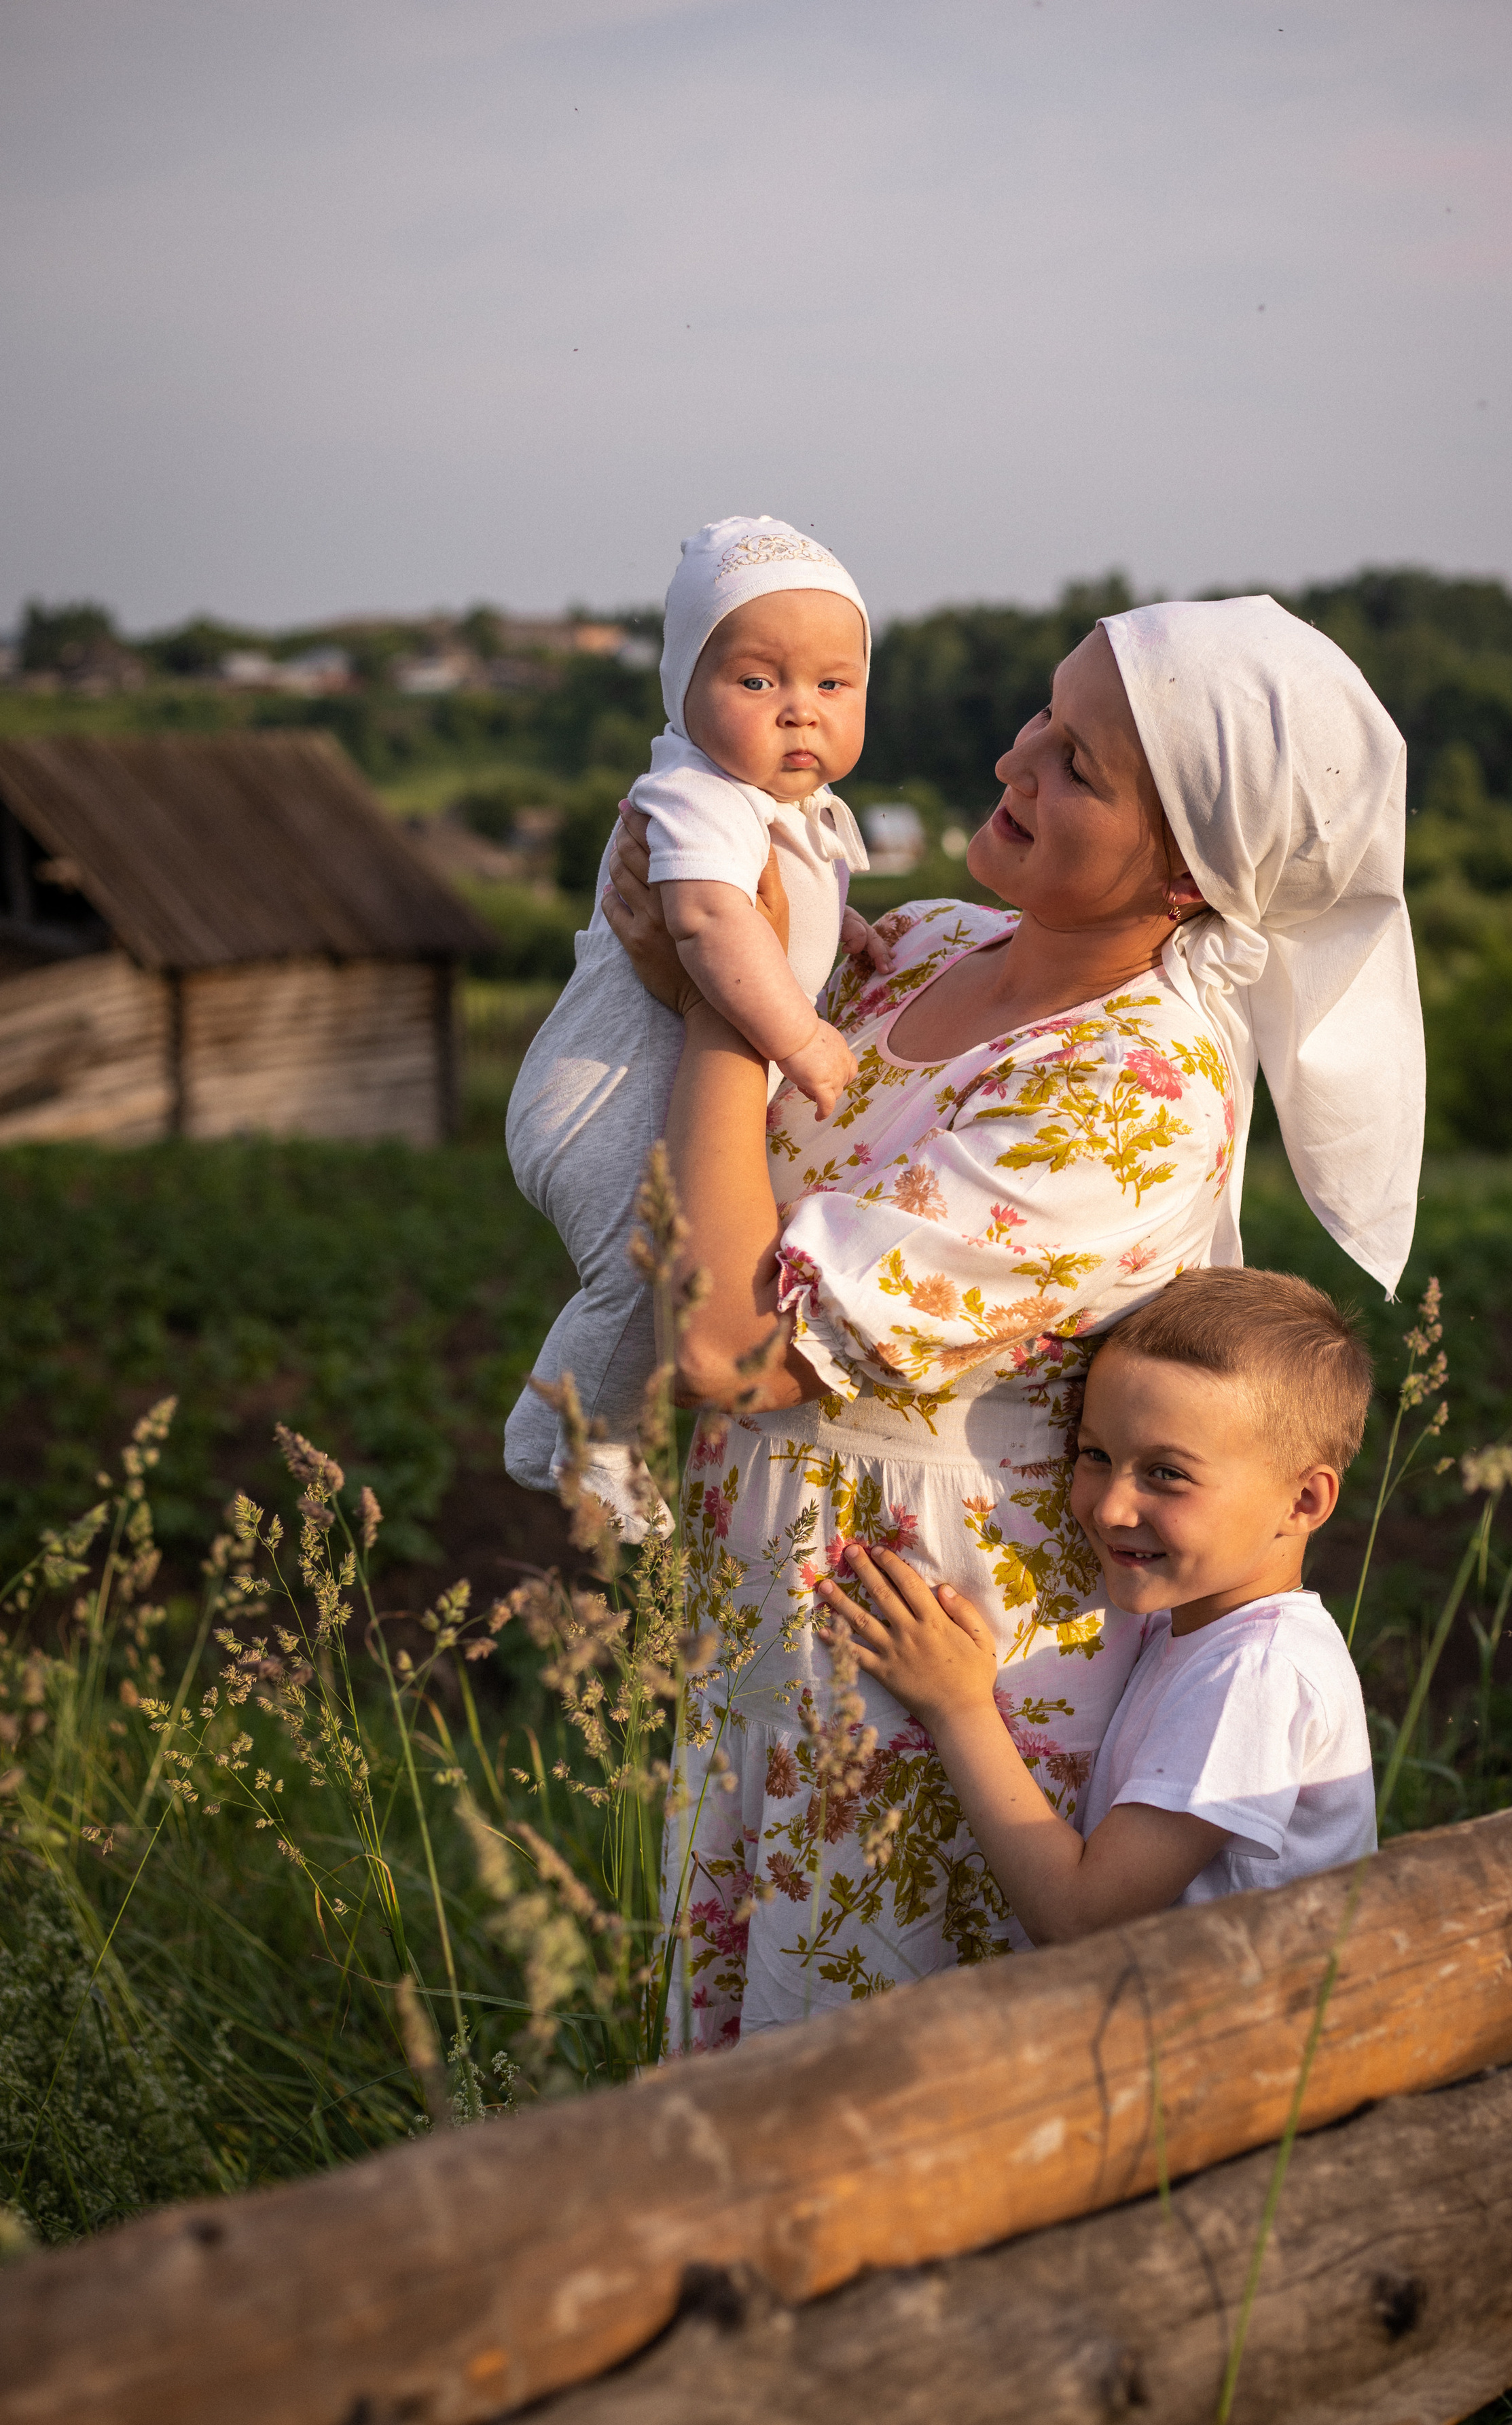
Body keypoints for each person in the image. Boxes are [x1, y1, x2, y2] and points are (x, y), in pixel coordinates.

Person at [582, 592, 1424, 2045]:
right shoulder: (919, 945)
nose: (1010, 764)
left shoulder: (1128, 1096)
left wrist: (729, 1006)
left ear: (1191, 877)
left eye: (1077, 766)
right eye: (1041, 716)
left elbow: (729, 1349)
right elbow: (698, 971)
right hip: (780, 1605)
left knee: (880, 2085)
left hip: (934, 1643)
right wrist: (691, 926)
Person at [503, 514, 886, 1515]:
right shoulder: (696, 793)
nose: (800, 712)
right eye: (759, 683)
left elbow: (780, 908)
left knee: (656, 1269)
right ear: (684, 691)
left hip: (647, 1090)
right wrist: (798, 1036)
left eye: (832, 686)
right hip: (602, 1096)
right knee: (642, 1271)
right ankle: (570, 1446)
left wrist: (843, 929)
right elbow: (716, 918)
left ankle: (605, 1443)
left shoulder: (771, 806)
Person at [816, 1268, 1377, 1943]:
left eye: (1166, 1474)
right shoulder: (1195, 1632)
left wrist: (956, 1707)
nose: (1110, 1508)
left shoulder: (1255, 1673)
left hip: (1246, 2042)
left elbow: (1081, 1917)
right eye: (1095, 1455)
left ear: (1303, 1501)